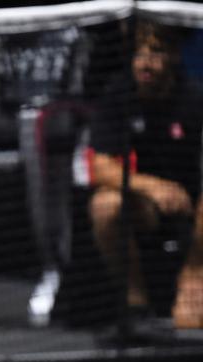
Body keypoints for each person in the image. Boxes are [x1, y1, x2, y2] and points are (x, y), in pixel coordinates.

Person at [87, 22, 203, 331]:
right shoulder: (117, 94)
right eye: (138, 53)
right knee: (104, 205)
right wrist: (154, 187)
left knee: (190, 323)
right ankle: (136, 304)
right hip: (147, 204)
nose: (145, 62)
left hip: (194, 209)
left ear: (175, 56)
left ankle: (192, 278)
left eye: (156, 52)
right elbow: (101, 167)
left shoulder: (194, 98)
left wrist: (194, 267)